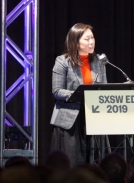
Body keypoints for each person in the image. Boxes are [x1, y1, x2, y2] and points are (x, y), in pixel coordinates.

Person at [50, 23, 108, 165]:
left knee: (96, 162)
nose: (91, 42)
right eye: (87, 39)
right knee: (71, 164)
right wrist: (78, 94)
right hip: (70, 120)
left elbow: (104, 89)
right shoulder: (62, 61)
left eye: (92, 38)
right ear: (75, 42)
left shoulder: (99, 62)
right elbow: (57, 91)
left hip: (94, 116)